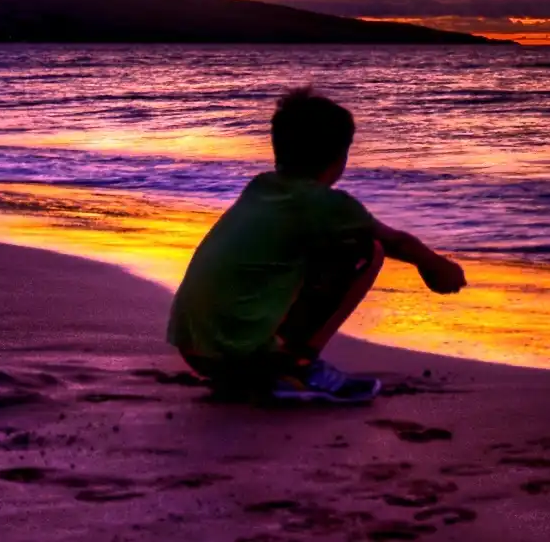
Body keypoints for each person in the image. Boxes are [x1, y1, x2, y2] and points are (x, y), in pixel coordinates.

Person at [167, 87, 466, 404]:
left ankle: (270, 361)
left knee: (313, 252)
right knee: (365, 251)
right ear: (340, 156)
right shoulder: (323, 203)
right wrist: (436, 266)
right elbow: (396, 242)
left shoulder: (261, 187)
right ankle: (295, 366)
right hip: (233, 349)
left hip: (194, 347)